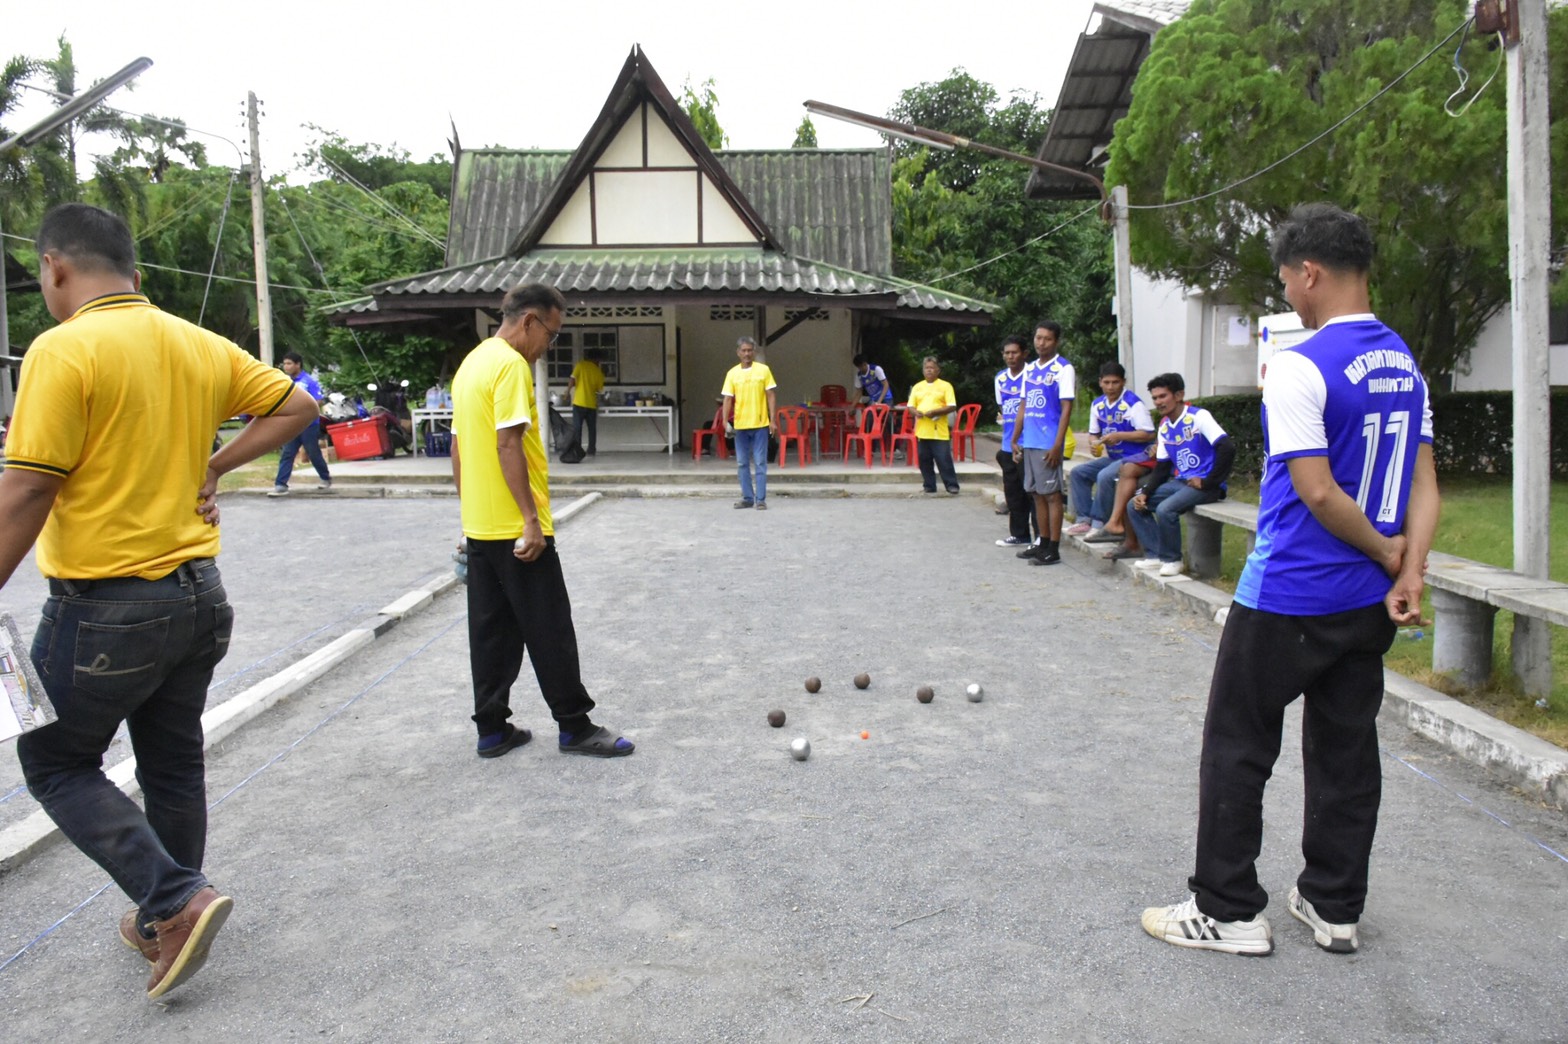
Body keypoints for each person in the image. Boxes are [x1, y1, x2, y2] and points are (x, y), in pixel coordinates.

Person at [1, 203, 319, 998]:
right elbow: (296, 406)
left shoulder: (62, 348)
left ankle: (175, 900)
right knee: (172, 761)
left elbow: (29, 487)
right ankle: (163, 917)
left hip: (104, 608)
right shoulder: (193, 341)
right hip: (199, 597)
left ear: (54, 268)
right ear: (136, 275)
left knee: (56, 762)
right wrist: (216, 465)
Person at [1142, 203, 1438, 957]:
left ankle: (1227, 909)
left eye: (1285, 282)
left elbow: (1318, 492)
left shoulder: (1302, 365)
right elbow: (1424, 483)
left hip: (1288, 594)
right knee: (1346, 750)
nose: (1288, 296)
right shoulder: (1404, 363)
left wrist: (1387, 553)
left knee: (1238, 743)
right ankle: (1335, 904)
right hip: (1365, 604)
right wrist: (1409, 567)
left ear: (1310, 272)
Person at [451, 283, 634, 759]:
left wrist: (468, 516)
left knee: (490, 633)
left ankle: (492, 730)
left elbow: (459, 447)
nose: (548, 346)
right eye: (551, 334)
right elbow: (507, 442)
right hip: (518, 529)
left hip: (482, 526)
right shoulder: (511, 365)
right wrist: (530, 519)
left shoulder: (472, 363)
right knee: (550, 626)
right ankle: (575, 726)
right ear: (530, 320)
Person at [1126, 373, 1233, 578]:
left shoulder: (1198, 416)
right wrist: (1145, 492)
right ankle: (1155, 555)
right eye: (1155, 398)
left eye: (1163, 396)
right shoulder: (1165, 426)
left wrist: (1210, 481)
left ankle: (1173, 559)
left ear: (1179, 395)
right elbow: (1162, 467)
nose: (1158, 402)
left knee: (1166, 509)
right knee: (1134, 504)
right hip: (1182, 482)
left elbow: (1227, 447)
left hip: (1205, 486)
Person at [1008, 320, 1075, 565]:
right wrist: (1015, 438)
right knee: (1036, 494)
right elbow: (1023, 405)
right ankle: (1042, 542)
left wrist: (1057, 444)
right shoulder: (1030, 369)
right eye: (1038, 338)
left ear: (1056, 341)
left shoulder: (1063, 368)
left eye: (1047, 339)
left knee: (1052, 495)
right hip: (1030, 440)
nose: (1041, 343)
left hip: (1048, 442)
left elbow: (1066, 408)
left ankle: (1053, 548)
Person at [1067, 362, 1155, 543]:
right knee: (1078, 473)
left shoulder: (1133, 404)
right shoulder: (1097, 405)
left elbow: (1148, 433)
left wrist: (1120, 435)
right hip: (1114, 457)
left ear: (1123, 382)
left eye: (1115, 382)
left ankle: (1100, 523)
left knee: (1105, 476)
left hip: (1135, 458)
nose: (1110, 387)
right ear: (1100, 382)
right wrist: (1094, 444)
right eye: (1106, 382)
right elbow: (1094, 433)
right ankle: (1084, 519)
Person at [721, 336, 777, 510]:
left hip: (760, 424)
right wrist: (724, 421)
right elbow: (727, 398)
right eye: (743, 350)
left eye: (749, 350)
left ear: (754, 352)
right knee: (742, 463)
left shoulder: (764, 370)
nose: (747, 353)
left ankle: (760, 500)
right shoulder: (732, 373)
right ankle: (747, 498)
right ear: (738, 353)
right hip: (740, 426)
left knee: (760, 462)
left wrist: (773, 420)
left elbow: (771, 395)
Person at [993, 335, 1037, 546]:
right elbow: (1002, 407)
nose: (1010, 356)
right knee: (1013, 493)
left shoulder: (1033, 375)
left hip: (1030, 442)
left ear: (1024, 354)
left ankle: (1040, 536)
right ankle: (1019, 534)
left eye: (1014, 352)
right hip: (1008, 443)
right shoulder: (1000, 378)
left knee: (1032, 493)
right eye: (1007, 353)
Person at [269, 351, 332, 496]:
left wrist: (303, 408)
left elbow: (319, 401)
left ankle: (325, 477)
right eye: (285, 364)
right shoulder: (285, 382)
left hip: (309, 424)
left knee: (312, 452)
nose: (286, 367)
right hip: (292, 424)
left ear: (298, 364)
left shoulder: (308, 381)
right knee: (288, 452)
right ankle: (281, 484)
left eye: (289, 363)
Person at [908, 356, 960, 495]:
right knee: (924, 460)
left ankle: (951, 485)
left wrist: (935, 412)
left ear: (938, 370)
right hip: (922, 430)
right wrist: (915, 412)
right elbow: (910, 406)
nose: (929, 370)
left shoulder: (945, 386)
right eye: (926, 368)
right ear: (923, 370)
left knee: (943, 459)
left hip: (939, 430)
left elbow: (952, 406)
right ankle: (929, 485)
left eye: (932, 368)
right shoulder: (918, 386)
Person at [567, 350, 604, 456]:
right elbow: (599, 390)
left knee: (577, 428)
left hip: (579, 403)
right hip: (591, 404)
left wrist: (567, 392)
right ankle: (591, 450)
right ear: (597, 359)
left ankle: (577, 451)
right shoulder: (598, 372)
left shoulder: (580, 365)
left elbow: (572, 380)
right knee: (592, 429)